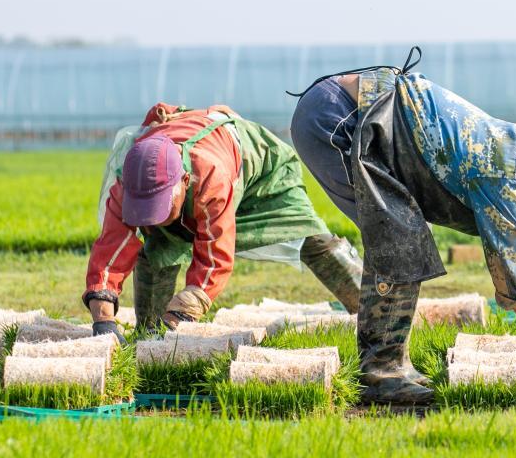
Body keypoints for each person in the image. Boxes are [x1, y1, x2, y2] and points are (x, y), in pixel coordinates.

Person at [290, 51, 516, 404]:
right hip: (337, 119)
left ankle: (386, 370)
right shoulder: (503, 174)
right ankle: (381, 374)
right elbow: (514, 281)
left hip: (363, 117)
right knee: (398, 238)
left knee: (401, 233)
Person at [83, 102, 363, 340]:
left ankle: (372, 309)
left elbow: (214, 259)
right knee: (156, 249)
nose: (153, 215)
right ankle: (150, 333)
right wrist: (103, 319)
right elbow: (111, 249)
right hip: (195, 167)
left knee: (309, 236)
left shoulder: (209, 177)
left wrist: (182, 314)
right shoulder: (129, 181)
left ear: (183, 181)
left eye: (159, 206)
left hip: (259, 172)